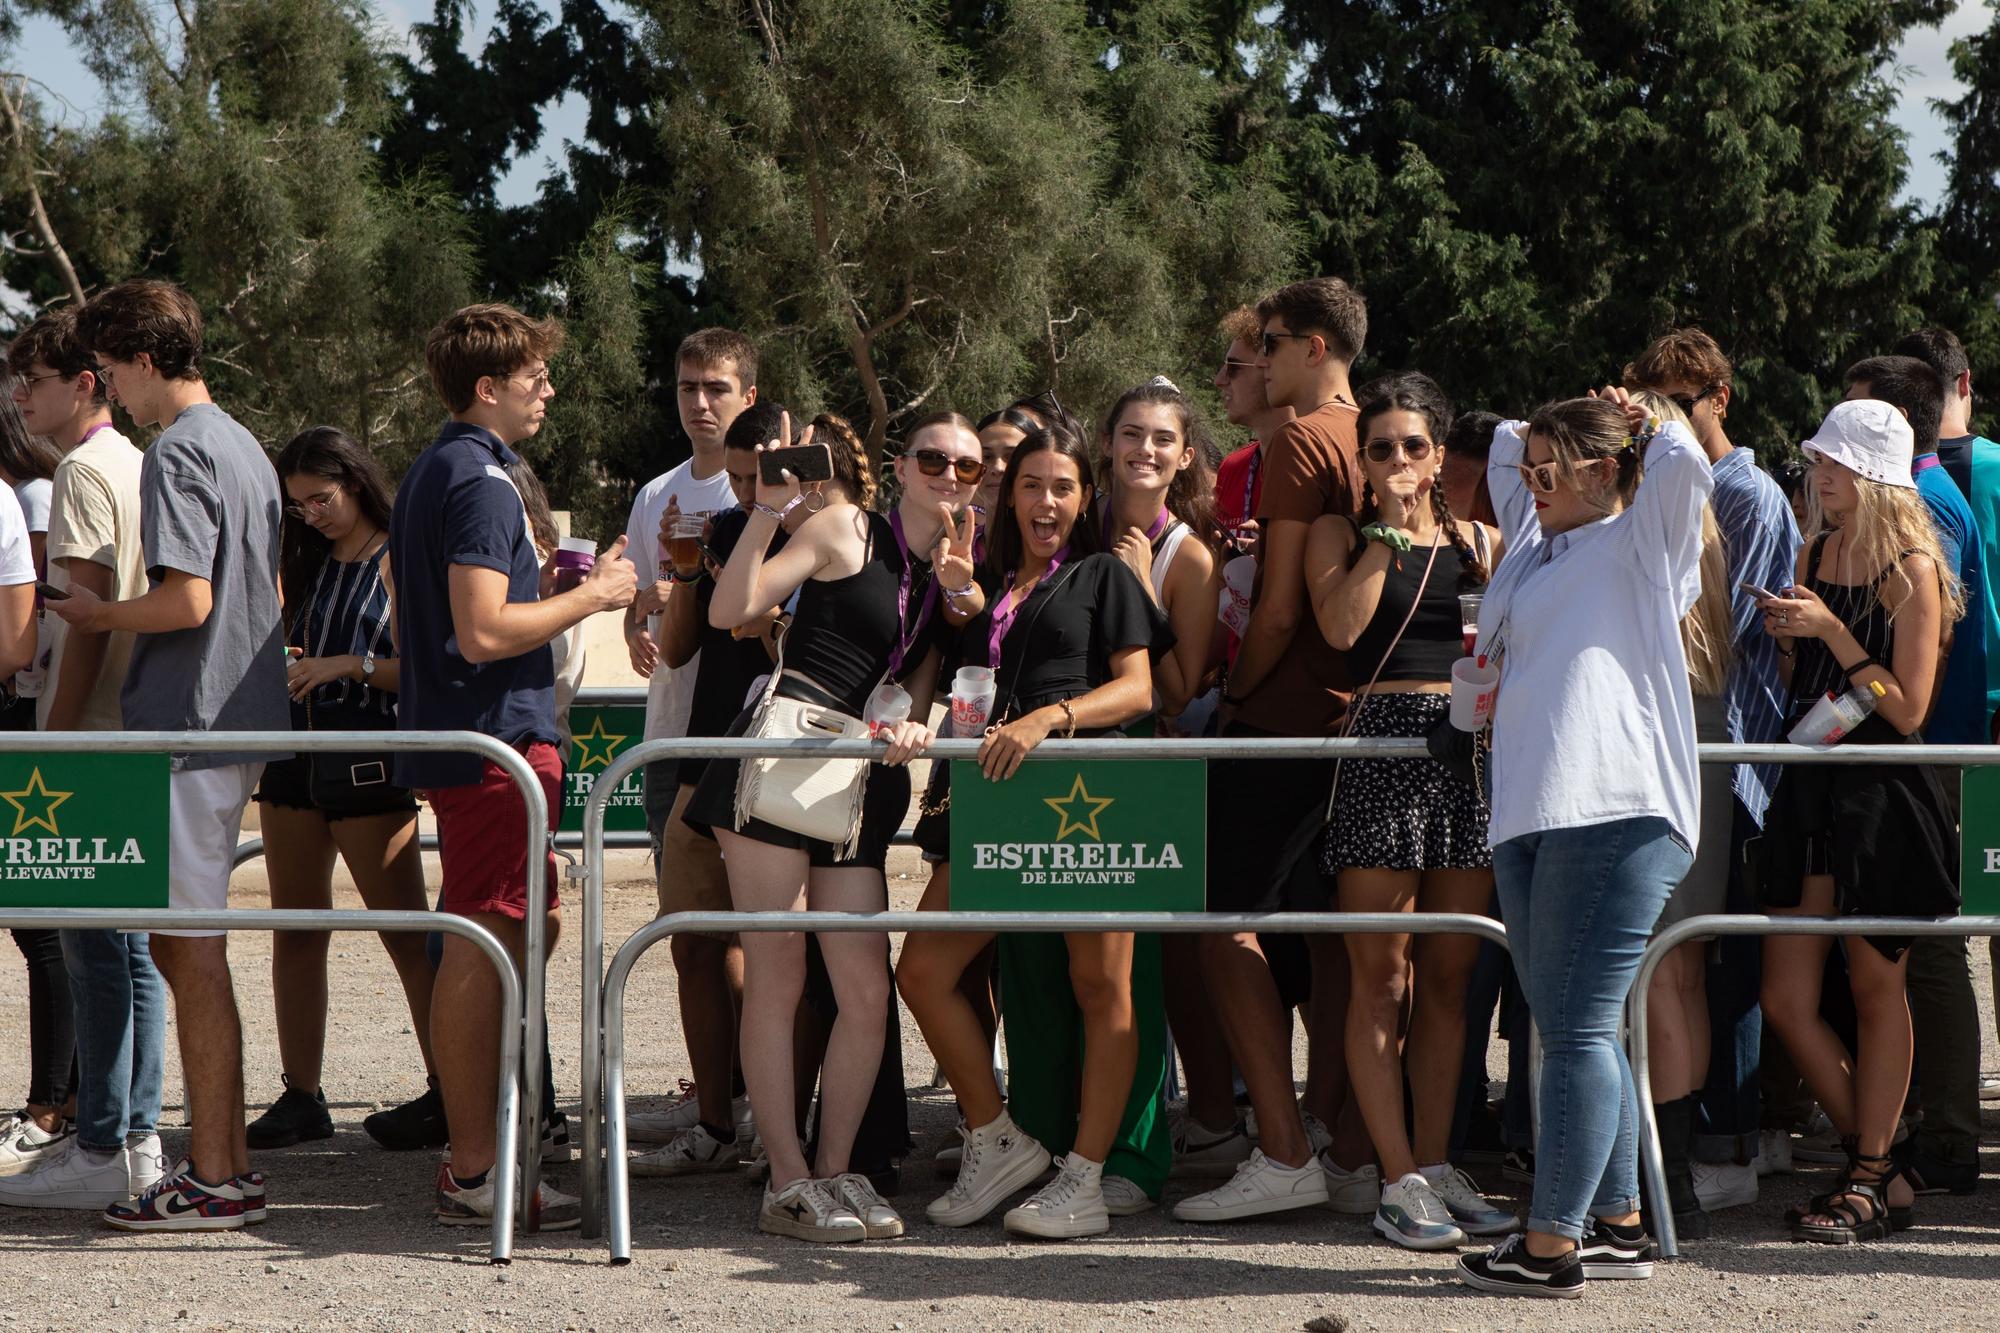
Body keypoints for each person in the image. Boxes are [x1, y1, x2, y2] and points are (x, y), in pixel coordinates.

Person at [1455, 390, 1710, 1298]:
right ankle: (1614, 1218)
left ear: (1606, 472)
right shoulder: (1537, 537)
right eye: (1533, 471)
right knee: (1571, 1022)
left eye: (1552, 470)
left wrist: (1648, 417)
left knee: (1573, 1028)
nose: (1530, 481)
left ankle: (1550, 1241)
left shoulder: (1645, 543)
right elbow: (1498, 442)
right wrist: (1548, 433)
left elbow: (1685, 467)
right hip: (1531, 808)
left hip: (1616, 807)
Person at [389, 302, 636, 1229]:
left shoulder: (441, 468)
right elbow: (484, 629)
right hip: (493, 736)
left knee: (496, 936)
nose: (549, 388)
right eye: (535, 375)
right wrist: (600, 595)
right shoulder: (484, 481)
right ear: (488, 387)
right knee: (484, 941)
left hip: (473, 734)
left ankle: (482, 1155)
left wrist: (557, 590)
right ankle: (476, 1168)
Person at [683, 410, 956, 1243]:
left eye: (970, 464)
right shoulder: (844, 525)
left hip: (854, 779)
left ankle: (835, 1171)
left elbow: (912, 688)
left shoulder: (946, 571)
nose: (951, 473)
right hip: (779, 759)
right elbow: (733, 610)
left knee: (865, 987)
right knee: (780, 974)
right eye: (935, 458)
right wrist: (770, 506)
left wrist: (915, 725)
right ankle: (788, 1180)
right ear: (901, 466)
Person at [898, 417, 1170, 1238]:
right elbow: (959, 655)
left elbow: (1138, 691)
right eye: (1029, 484)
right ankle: (998, 1137)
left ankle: (1085, 1178)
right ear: (1007, 494)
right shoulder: (984, 580)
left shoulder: (1104, 574)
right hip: (993, 800)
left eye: (1062, 486)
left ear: (1084, 497)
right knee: (923, 969)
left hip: (1090, 790)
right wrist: (956, 594)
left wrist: (1049, 718)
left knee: (1102, 988)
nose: (1045, 500)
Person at [56, 279, 290, 1231]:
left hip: (194, 726)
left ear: (144, 361)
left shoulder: (181, 450)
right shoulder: (240, 442)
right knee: (183, 943)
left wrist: (101, 613)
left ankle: (218, 1176)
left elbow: (188, 600)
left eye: (111, 371)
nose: (109, 388)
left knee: (190, 949)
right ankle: (218, 1168)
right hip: (227, 721)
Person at [1303, 372, 1510, 1250]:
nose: (1396, 460)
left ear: (1440, 454)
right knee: (1380, 977)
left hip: (1467, 752)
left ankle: (1435, 1159)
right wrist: (1384, 537)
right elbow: (1343, 632)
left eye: (1413, 447)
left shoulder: (1484, 540)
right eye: (1380, 447)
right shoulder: (1336, 533)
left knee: (1453, 981)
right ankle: (1396, 1177)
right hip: (1383, 744)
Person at [1178, 276, 1369, 1226]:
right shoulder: (1373, 437)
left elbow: (1286, 605)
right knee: (1336, 939)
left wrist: (1236, 693)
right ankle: (1338, 1137)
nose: (1261, 356)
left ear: (1314, 346)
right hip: (1358, 721)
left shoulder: (1300, 439)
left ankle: (1285, 1147)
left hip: (1285, 715)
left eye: (1273, 341)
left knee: (1221, 923)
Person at [1755, 398, 1961, 1243]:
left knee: (1879, 988)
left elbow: (1909, 707)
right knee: (1786, 996)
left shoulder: (1914, 565)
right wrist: (1783, 634)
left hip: (1884, 795)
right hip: (1812, 789)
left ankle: (1871, 1175)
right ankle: (1881, 1159)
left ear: (1873, 475)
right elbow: (1803, 679)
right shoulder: (1816, 545)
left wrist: (1830, 629)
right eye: (1818, 459)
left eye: (1834, 463)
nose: (1819, 473)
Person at [1623, 329, 1801, 1215]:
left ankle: (1697, 1159)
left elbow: (1751, 656)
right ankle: (1684, 1170)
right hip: (1699, 749)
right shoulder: (1691, 510)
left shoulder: (1739, 500)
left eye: (1676, 405)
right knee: (1685, 970)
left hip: (1712, 751)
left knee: (1682, 971)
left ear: (1717, 399)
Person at [0, 308, 161, 1210]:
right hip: (125, 725)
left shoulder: (86, 473)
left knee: (100, 946)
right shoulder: (130, 465)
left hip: (92, 728)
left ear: (87, 385)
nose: (22, 399)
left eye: (37, 380)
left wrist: (57, 743)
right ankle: (129, 1136)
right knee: (128, 950)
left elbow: (89, 619)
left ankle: (104, 1139)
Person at [240, 428, 436, 1153]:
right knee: (295, 929)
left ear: (355, 482)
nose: (311, 513)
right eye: (298, 505)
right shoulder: (311, 559)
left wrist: (348, 665)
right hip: (297, 755)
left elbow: (423, 665)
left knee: (408, 935)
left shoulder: (399, 555)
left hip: (366, 756)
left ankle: (449, 1087)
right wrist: (299, 661)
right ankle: (301, 1094)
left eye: (320, 498)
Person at [1836, 356, 1986, 1198]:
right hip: (1925, 744)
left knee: (1928, 951)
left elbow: (1929, 652)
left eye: (1851, 421)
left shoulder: (1922, 506)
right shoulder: (1932, 495)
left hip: (1926, 749)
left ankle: (1948, 1135)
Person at [1892, 325, 2000, 1115]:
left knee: (1935, 934)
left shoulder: (1903, 484)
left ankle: (1944, 1118)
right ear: (1965, 384)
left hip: (1924, 725)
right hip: (1980, 722)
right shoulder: (1992, 471)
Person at [627, 329, 754, 896]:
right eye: (687, 389)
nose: (699, 404)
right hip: (668, 730)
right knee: (685, 930)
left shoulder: (759, 495)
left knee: (752, 931)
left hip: (744, 732)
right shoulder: (657, 493)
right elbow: (636, 596)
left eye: (716, 389)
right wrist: (634, 627)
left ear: (749, 397)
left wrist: (689, 580)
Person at [0, 391, 70, 1176]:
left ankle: (55, 1100)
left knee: (45, 921)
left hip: (33, 721)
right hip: (32, 715)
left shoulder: (31, 494)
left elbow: (26, 633)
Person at [1212, 304, 1296, 558]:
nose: (1219, 379)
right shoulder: (1233, 467)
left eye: (1233, 366)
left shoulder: (1317, 464)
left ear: (1271, 368)